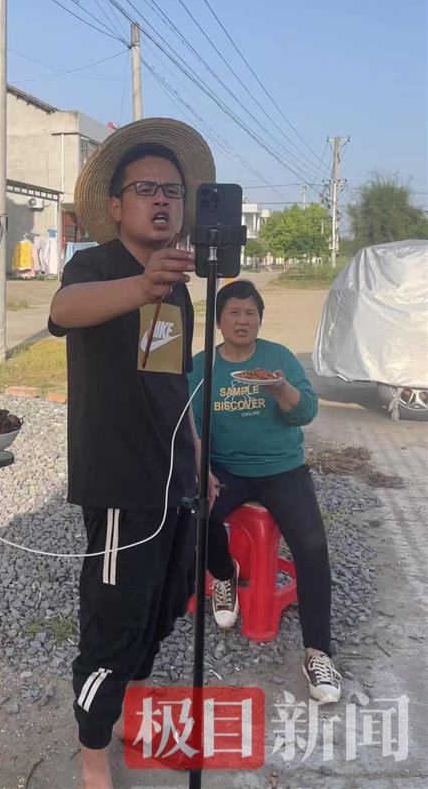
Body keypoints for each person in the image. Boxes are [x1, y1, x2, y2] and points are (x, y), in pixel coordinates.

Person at [48, 118, 216, 788]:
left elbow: (169, 382)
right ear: (116, 206)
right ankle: (93, 754)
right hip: (120, 482)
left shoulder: (177, 286)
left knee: (160, 609)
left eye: (171, 190)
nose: (161, 199)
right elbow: (64, 310)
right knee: (113, 620)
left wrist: (197, 459)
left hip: (173, 480)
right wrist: (142, 285)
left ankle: (126, 719)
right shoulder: (96, 266)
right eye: (145, 188)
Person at [188, 279, 341, 705]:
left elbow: (306, 412)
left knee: (312, 548)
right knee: (196, 518)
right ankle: (225, 574)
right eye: (234, 312)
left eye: (250, 313)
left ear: (260, 319)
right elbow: (190, 424)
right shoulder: (202, 366)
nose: (243, 320)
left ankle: (318, 652)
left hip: (283, 470)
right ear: (219, 321)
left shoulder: (279, 359)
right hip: (227, 469)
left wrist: (281, 390)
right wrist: (202, 470)